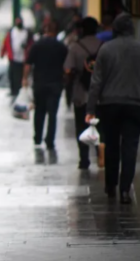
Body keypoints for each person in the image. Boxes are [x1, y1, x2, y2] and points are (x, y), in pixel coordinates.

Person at [85, 13, 140, 204]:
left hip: (109, 104)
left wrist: (90, 108)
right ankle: (125, 190)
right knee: (130, 147)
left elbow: (96, 81)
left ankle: (110, 186)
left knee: (111, 146)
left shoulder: (106, 49)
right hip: (134, 104)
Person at [64, 17, 103, 170]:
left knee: (81, 126)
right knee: (101, 126)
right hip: (100, 95)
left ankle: (84, 159)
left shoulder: (75, 47)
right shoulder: (103, 46)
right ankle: (101, 154)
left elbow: (67, 69)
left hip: (81, 93)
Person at [23, 21, 68, 153]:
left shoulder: (36, 45)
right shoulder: (61, 47)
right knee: (52, 114)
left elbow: (28, 64)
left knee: (39, 112)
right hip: (55, 84)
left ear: (44, 30)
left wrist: (24, 79)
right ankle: (50, 140)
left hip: (39, 84)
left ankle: (37, 138)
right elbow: (67, 66)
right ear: (55, 31)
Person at [1, 17, 34, 100]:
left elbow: (31, 44)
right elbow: (6, 43)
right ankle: (14, 91)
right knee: (12, 75)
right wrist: (2, 53)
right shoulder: (11, 32)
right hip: (13, 58)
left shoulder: (27, 33)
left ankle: (21, 89)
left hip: (24, 59)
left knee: (22, 75)